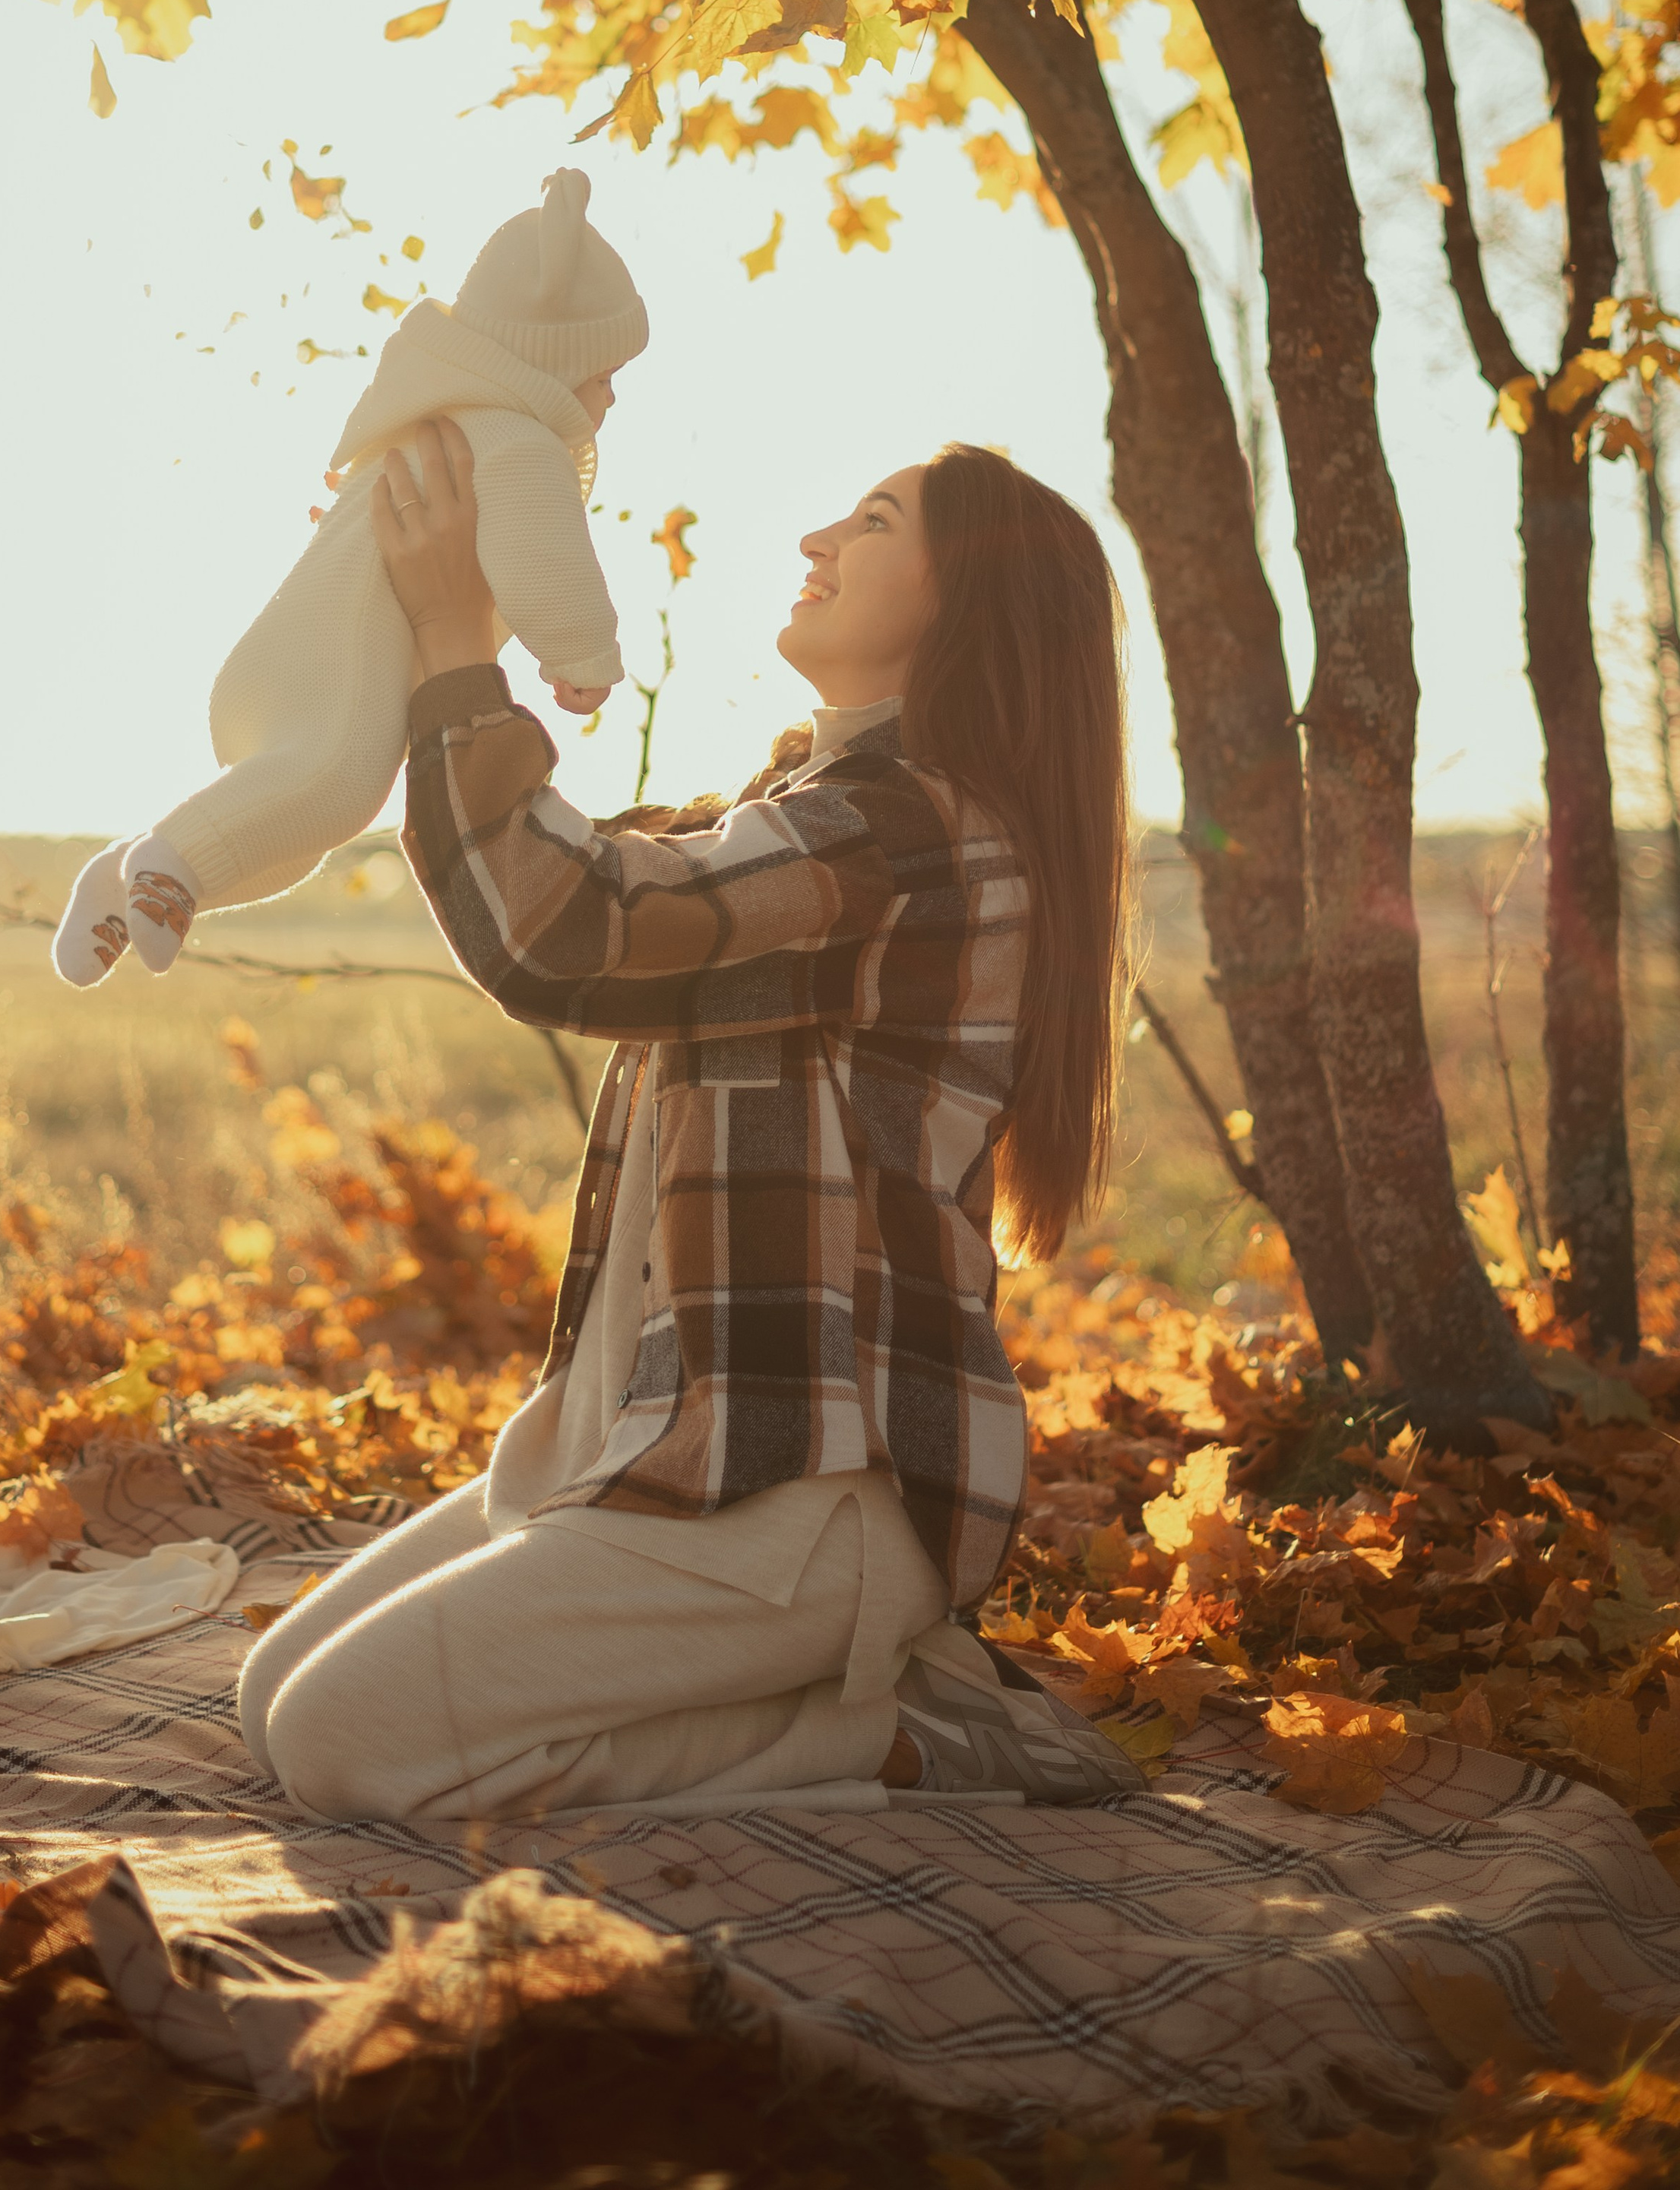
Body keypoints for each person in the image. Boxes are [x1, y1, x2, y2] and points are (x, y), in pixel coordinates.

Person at [237, 423, 1141, 1823]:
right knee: (272, 1692)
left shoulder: (908, 830)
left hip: (804, 1496)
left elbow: (565, 926)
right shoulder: (808, 808)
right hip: (669, 1456)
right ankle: (836, 1688)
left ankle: (889, 1735)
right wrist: (459, 571)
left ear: (972, 605)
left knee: (340, 1742)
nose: (817, 542)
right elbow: (568, 858)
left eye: (876, 521)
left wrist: (456, 642)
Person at [50, 169, 647, 986]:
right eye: (606, 368)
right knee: (337, 789)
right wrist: (584, 656)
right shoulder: (517, 443)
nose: (613, 391)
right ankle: (172, 862)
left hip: (284, 667)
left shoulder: (424, 425)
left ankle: (132, 876)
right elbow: (545, 559)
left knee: (297, 835)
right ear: (550, 358)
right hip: (337, 679)